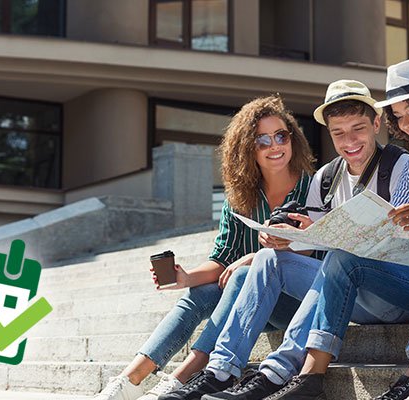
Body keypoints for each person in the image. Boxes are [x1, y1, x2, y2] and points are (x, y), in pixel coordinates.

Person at [230, 56, 409, 400]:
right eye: (400, 116)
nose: (406, 124)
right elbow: (399, 232)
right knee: (344, 258)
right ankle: (310, 377)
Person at [158, 79, 409, 400]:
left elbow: (407, 242)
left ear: (377, 123)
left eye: (358, 129)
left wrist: (332, 239)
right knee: (266, 259)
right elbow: (315, 245)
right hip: (346, 294)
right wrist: (290, 239)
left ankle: (276, 372)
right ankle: (220, 370)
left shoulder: (401, 165)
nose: (349, 141)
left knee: (338, 262)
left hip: (390, 293)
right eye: (338, 133)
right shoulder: (327, 178)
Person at [94, 95, 317, 400]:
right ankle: (130, 379)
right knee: (198, 293)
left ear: (293, 139)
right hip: (249, 305)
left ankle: (183, 377)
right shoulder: (240, 199)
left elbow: (320, 253)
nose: (275, 146)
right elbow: (223, 259)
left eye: (281, 136)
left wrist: (253, 258)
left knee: (240, 277)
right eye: (262, 140)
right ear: (247, 149)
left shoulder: (314, 187)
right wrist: (185, 278)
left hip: (297, 302)